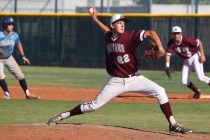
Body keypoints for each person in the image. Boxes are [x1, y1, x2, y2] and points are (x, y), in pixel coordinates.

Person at [47, 7, 192, 134]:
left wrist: (160, 48)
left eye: (124, 23)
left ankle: (173, 124)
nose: (123, 25)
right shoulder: (108, 37)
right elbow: (107, 31)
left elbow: (151, 33)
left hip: (135, 78)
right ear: (112, 25)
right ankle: (62, 116)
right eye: (119, 23)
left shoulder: (130, 36)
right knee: (93, 106)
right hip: (116, 81)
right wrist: (95, 19)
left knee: (160, 91)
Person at [0, 17, 40, 99]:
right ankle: (7, 94)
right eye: (9, 24)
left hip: (9, 58)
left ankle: (27, 94)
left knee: (20, 75)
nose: (11, 26)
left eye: (12, 25)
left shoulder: (14, 35)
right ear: (4, 25)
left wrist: (23, 56)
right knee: (0, 76)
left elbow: (18, 44)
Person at [165, 26, 210, 99]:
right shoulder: (171, 43)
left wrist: (202, 55)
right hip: (187, 60)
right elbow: (168, 55)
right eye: (174, 33)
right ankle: (197, 92)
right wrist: (167, 66)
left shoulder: (187, 39)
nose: (176, 35)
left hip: (195, 56)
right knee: (184, 81)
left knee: (201, 77)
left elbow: (199, 42)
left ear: (181, 33)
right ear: (172, 34)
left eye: (178, 33)